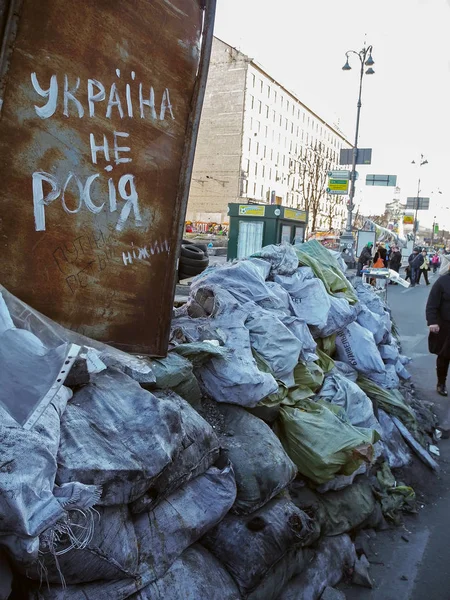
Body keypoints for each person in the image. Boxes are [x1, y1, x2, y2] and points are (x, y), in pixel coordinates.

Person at [426, 255, 450, 396]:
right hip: (445, 326)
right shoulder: (442, 282)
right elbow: (432, 304)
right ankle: (441, 383)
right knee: (444, 356)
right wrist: (432, 322)